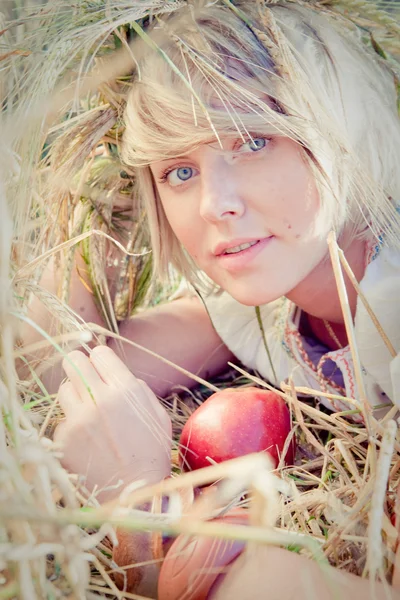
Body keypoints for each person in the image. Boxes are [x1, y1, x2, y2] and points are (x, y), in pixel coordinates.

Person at [29, 0, 400, 597]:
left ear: (342, 131)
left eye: (253, 141)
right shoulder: (264, 306)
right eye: (179, 171)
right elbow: (63, 376)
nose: (212, 205)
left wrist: (134, 505)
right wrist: (91, 222)